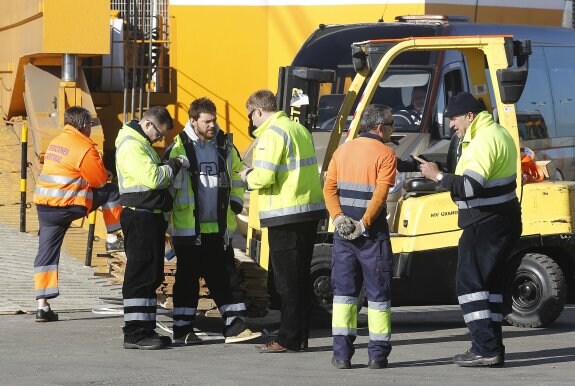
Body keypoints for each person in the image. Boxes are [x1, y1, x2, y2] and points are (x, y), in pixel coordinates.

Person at [419, 92, 522, 367]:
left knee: (470, 285)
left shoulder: (481, 141)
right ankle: (490, 346)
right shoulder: (498, 132)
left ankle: (485, 348)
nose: (452, 125)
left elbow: (469, 187)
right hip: (503, 218)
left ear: (469, 116)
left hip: (484, 223)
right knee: (490, 288)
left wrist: (437, 176)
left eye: (454, 119)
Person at [165, 97, 261, 345]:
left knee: (226, 277)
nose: (212, 125)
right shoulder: (179, 148)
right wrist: (165, 228)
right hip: (188, 230)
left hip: (219, 229)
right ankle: (183, 330)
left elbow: (239, 176)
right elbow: (167, 189)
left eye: (214, 120)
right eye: (207, 121)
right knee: (187, 280)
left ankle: (236, 327)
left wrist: (237, 202)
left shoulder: (225, 146)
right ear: (193, 121)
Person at [240, 89, 326, 353]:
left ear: (258, 111)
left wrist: (246, 176)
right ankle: (299, 334)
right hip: (307, 212)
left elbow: (264, 177)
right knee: (300, 278)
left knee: (286, 282)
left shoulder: (271, 134)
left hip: (284, 214)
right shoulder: (299, 130)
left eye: (251, 116)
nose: (251, 122)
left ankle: (288, 338)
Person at [33, 106, 123, 322]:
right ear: (84, 126)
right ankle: (113, 238)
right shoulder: (84, 146)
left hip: (45, 207)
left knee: (46, 253)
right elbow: (99, 181)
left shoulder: (57, 141)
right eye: (90, 125)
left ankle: (42, 306)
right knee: (111, 191)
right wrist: (106, 173)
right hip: (69, 205)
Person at [323, 104, 397, 370]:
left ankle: (342, 355)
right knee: (378, 297)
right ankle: (377, 355)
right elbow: (380, 195)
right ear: (379, 128)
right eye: (390, 125)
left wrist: (338, 218)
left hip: (343, 238)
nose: (392, 130)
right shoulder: (386, 154)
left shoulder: (342, 151)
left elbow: (329, 189)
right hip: (372, 237)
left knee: (344, 295)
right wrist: (363, 224)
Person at [115, 106, 189, 350]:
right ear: (148, 125)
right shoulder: (132, 145)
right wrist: (174, 164)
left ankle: (145, 329)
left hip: (150, 217)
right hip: (140, 217)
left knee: (150, 275)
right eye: (159, 134)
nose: (160, 139)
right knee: (140, 276)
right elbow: (154, 178)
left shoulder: (141, 143)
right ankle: (135, 333)